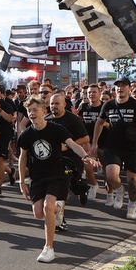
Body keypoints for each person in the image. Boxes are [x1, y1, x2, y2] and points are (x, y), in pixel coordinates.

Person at [18, 96, 100, 263]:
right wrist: (21, 181)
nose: (32, 113)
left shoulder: (56, 129)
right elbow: (22, 157)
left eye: (35, 110)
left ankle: (48, 248)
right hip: (38, 177)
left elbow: (73, 144)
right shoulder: (26, 134)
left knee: (47, 207)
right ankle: (58, 208)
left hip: (57, 174)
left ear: (43, 111)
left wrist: (86, 157)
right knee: (39, 213)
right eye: (29, 111)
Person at [92, 77, 136, 220]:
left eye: (123, 86)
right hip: (113, 146)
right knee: (110, 175)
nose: (120, 88)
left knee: (133, 182)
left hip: (132, 147)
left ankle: (132, 204)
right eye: (117, 86)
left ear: (128, 88)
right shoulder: (108, 105)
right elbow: (99, 123)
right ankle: (120, 190)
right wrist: (94, 142)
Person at [45, 91, 91, 230]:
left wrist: (68, 145)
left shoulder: (73, 119)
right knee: (60, 187)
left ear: (64, 104)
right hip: (54, 160)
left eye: (57, 103)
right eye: (52, 104)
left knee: (67, 184)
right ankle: (61, 219)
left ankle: (80, 188)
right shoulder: (47, 120)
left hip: (72, 159)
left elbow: (85, 138)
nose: (54, 106)